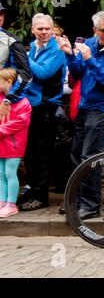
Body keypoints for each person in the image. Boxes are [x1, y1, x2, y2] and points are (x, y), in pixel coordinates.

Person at [56, 11, 104, 220]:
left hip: (102, 107)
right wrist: (70, 55)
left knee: (91, 156)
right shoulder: (89, 43)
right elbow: (77, 72)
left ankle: (90, 205)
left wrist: (89, 59)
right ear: (95, 30)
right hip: (85, 105)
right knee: (77, 154)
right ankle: (76, 201)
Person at [19, 13, 67, 211]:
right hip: (30, 106)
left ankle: (41, 197)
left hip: (47, 107)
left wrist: (23, 58)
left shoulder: (57, 50)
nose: (44, 32)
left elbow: (43, 73)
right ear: (33, 30)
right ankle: (30, 191)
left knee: (42, 154)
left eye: (47, 28)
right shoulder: (32, 47)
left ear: (52, 29)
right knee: (30, 153)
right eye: (40, 29)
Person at [0, 68, 32, 218]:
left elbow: (19, 122)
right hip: (2, 143)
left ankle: (11, 204)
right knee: (1, 174)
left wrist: (1, 130)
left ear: (8, 82)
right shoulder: (2, 99)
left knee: (10, 172)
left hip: (14, 145)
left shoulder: (23, 102)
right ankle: (2, 201)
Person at [0, 0, 32, 124]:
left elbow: (25, 75)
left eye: (1, 14)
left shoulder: (11, 40)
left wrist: (9, 99)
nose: (0, 17)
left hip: (3, 99)